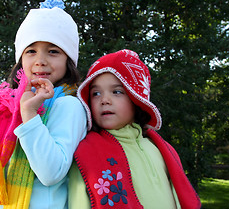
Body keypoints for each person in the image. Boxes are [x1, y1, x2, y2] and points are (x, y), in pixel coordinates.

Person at [0, 0, 87, 209]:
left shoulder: (69, 106)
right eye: (31, 51)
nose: (40, 60)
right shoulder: (12, 105)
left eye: (53, 51)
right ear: (20, 60)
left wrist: (28, 114)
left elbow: (51, 173)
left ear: (69, 61)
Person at [68, 49, 201, 209]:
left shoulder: (160, 149)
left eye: (117, 92)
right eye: (96, 93)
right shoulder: (85, 152)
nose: (104, 100)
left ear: (137, 98)